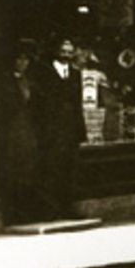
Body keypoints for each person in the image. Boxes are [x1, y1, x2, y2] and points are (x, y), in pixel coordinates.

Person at [32, 37, 88, 220]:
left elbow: (78, 103)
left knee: (69, 170)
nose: (66, 55)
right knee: (50, 168)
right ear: (56, 51)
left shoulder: (75, 73)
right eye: (63, 51)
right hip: (50, 130)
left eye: (70, 52)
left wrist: (80, 130)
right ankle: (49, 209)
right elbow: (38, 103)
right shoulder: (43, 71)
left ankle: (68, 207)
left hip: (70, 130)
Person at [0, 41, 43, 225]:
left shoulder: (30, 82)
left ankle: (26, 211)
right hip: (12, 131)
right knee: (12, 170)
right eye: (19, 59)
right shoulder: (4, 82)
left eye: (26, 59)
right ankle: (12, 213)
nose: (23, 63)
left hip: (28, 130)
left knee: (29, 168)